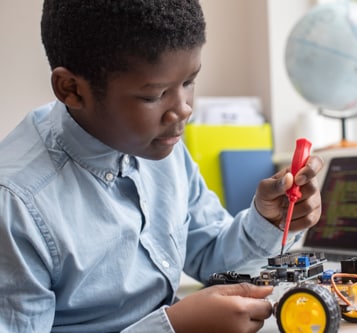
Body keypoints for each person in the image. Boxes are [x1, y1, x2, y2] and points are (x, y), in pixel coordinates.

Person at [0, 1, 324, 332]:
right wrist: (175, 327)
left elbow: (213, 258)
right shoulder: (14, 204)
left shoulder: (159, 146)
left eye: (189, 81)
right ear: (71, 89)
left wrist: (268, 219)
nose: (182, 110)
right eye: (154, 96)